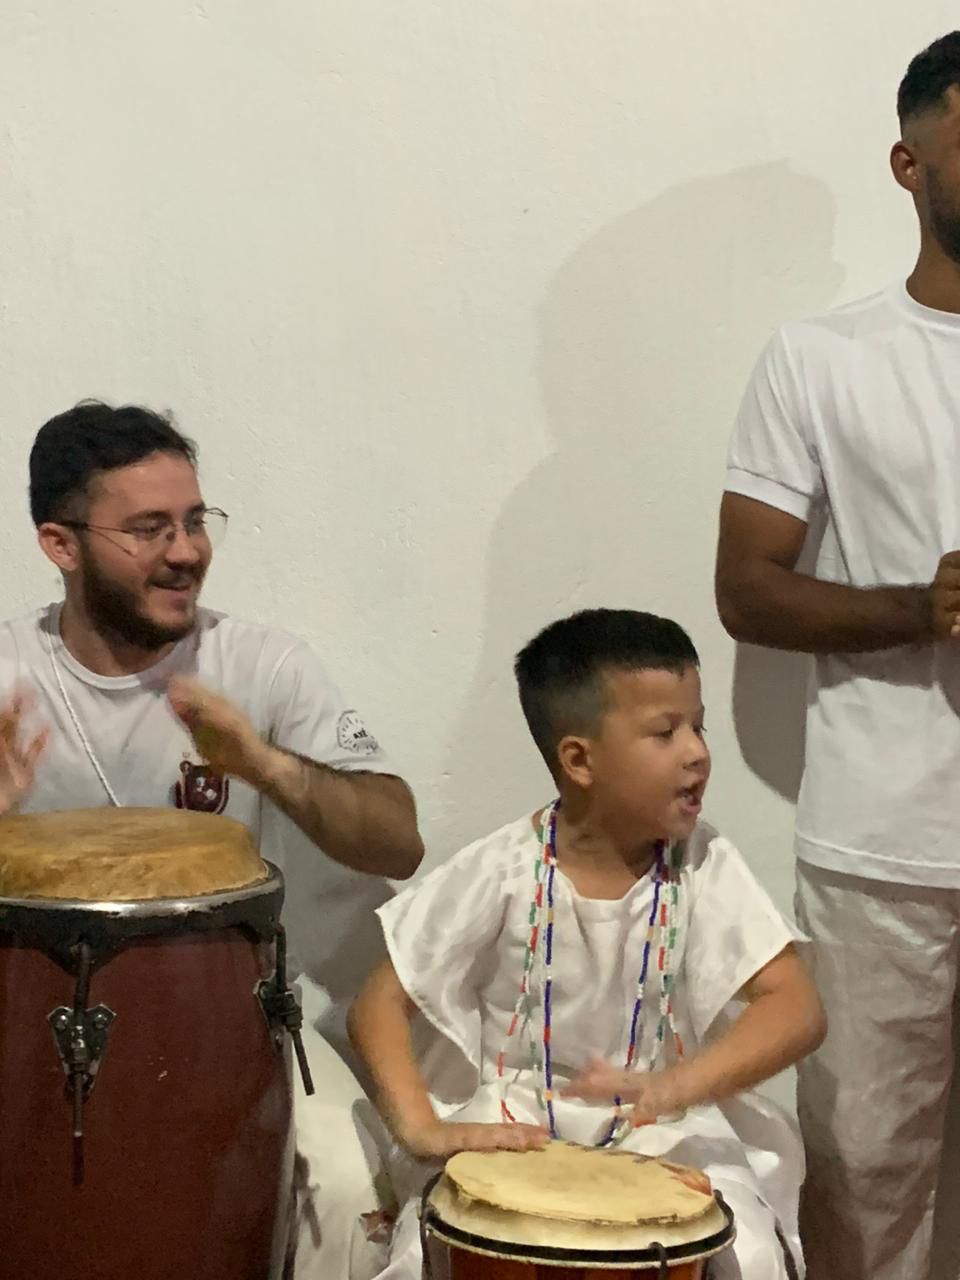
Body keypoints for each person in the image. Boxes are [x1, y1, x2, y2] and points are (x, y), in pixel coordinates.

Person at [0, 399, 424, 1280]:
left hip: (240, 1015)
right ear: (60, 544)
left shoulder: (260, 665)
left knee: (352, 1200)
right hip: (31, 1027)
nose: (187, 551)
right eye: (148, 528)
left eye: (195, 521)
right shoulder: (9, 676)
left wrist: (266, 765)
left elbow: (397, 842)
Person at [348, 608, 825, 1280]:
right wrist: (421, 1128)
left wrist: (674, 1087)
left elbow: (797, 1007)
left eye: (699, 726)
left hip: (659, 1125)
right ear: (579, 759)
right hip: (517, 1121)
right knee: (427, 1241)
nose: (696, 752)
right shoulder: (504, 869)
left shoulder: (701, 863)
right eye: (665, 732)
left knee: (746, 1250)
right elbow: (378, 1002)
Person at [715, 32, 960, 1279]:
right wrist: (924, 606)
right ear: (909, 163)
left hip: (887, 847)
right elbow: (746, 589)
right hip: (884, 847)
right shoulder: (821, 358)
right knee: (866, 1178)